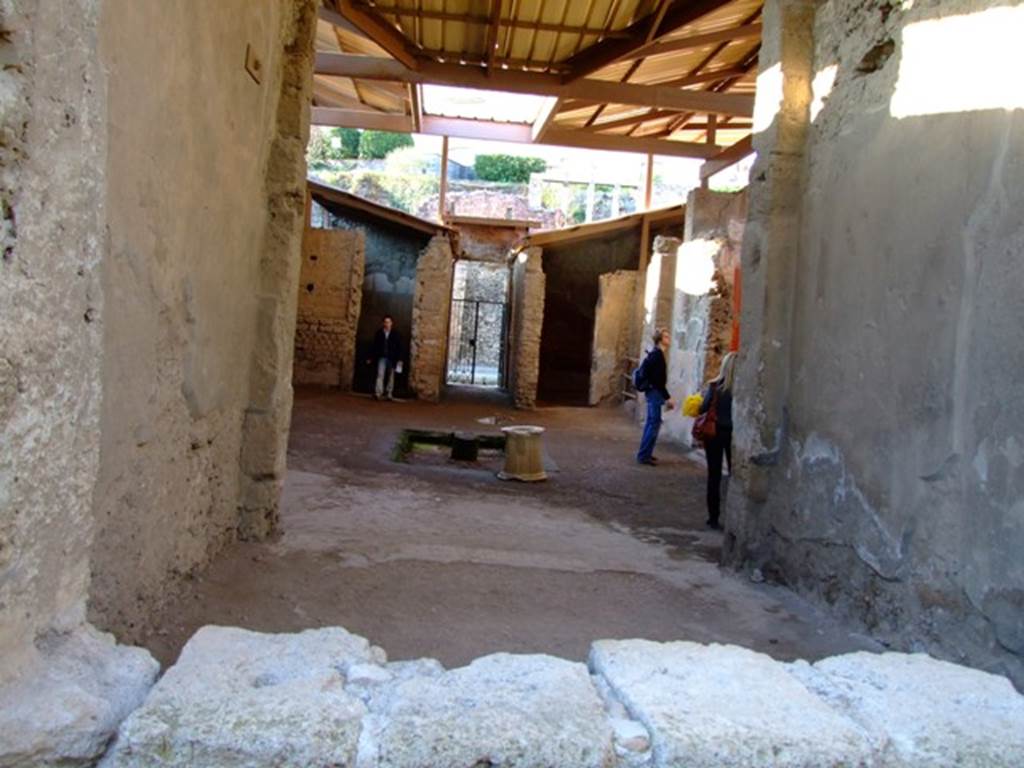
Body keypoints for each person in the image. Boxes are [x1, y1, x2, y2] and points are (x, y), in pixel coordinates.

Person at [699, 351, 735, 530]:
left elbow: (703, 408)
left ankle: (713, 517)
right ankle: (735, 516)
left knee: (714, 476)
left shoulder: (715, 386)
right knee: (735, 476)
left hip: (713, 433)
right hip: (733, 434)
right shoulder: (741, 389)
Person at [636, 328, 675, 465]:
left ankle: (645, 453)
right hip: (655, 393)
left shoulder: (656, 354)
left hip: (653, 392)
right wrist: (667, 397)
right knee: (653, 424)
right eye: (666, 336)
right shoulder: (657, 355)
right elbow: (658, 380)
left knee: (651, 424)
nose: (668, 338)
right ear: (660, 340)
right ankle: (643, 455)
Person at [369, 315, 402, 400]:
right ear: (383, 323)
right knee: (380, 374)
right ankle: (378, 393)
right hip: (382, 357)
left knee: (391, 376)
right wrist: (371, 357)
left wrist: (399, 359)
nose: (387, 324)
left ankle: (389, 393)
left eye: (389, 322)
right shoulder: (379, 333)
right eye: (386, 322)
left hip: (392, 358)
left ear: (392, 323)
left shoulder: (395, 334)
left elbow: (399, 347)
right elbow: (375, 346)